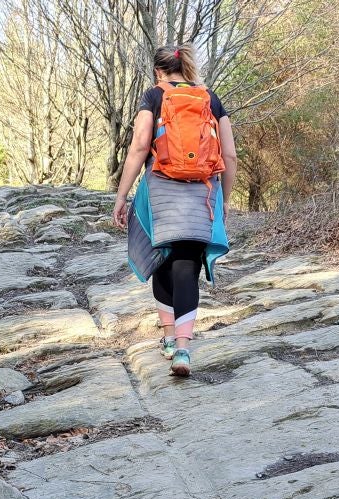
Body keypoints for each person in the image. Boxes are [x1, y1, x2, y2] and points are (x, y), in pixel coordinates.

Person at [113, 45, 237, 377]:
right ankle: (183, 350)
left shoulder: (154, 96)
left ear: (158, 71)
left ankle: (168, 338)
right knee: (187, 269)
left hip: (160, 196)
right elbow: (230, 154)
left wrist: (121, 196)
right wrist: (224, 200)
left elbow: (140, 146)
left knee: (161, 264)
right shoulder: (210, 98)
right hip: (202, 196)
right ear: (185, 67)